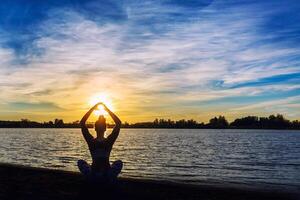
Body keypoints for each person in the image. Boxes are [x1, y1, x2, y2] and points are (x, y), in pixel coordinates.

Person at [77, 102, 122, 183]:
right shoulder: (108, 141)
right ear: (105, 129)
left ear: (95, 128)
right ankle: (106, 179)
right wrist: (106, 109)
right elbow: (118, 123)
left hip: (94, 174)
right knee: (119, 163)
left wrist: (93, 108)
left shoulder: (91, 141)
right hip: (105, 174)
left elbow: (82, 123)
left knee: (80, 162)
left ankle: (94, 178)